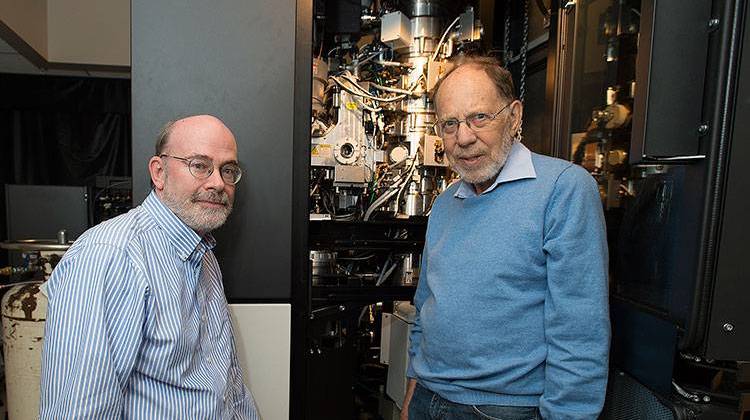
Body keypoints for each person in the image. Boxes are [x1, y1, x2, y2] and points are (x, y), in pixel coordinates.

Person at [401, 56, 610, 419]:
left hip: (501, 410)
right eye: (449, 124)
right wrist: (410, 399)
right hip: (428, 400)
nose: (463, 137)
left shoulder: (564, 189)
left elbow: (580, 332)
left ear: (514, 117)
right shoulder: (446, 203)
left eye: (479, 117)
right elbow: (425, 312)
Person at [39, 115, 259, 419]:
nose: (217, 183)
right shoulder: (111, 257)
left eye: (228, 170)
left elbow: (225, 385)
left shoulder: (204, 253)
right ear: (159, 172)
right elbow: (79, 411)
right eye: (199, 165)